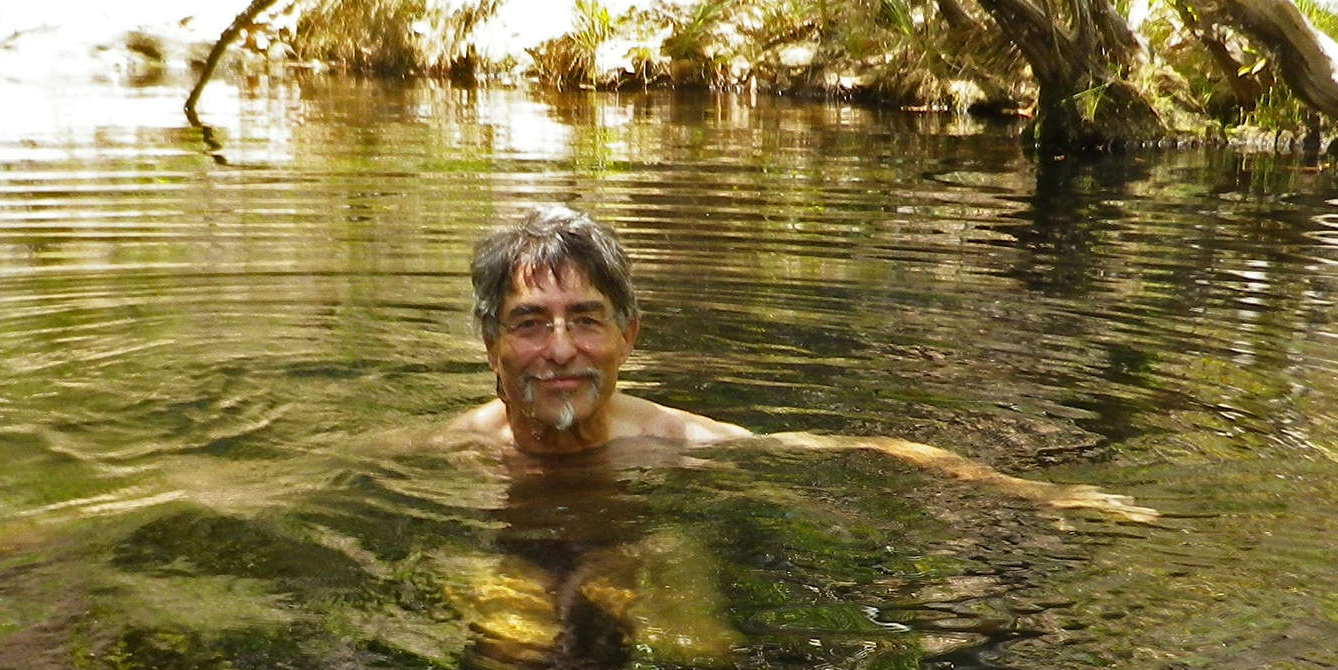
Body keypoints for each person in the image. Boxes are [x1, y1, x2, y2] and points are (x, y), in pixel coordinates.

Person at [444, 204, 1156, 522]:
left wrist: (1035, 493)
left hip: (631, 542)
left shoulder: (672, 441)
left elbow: (865, 446)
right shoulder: (458, 448)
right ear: (492, 346)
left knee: (696, 641)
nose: (561, 350)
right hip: (504, 544)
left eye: (586, 320)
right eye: (530, 324)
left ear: (629, 335)